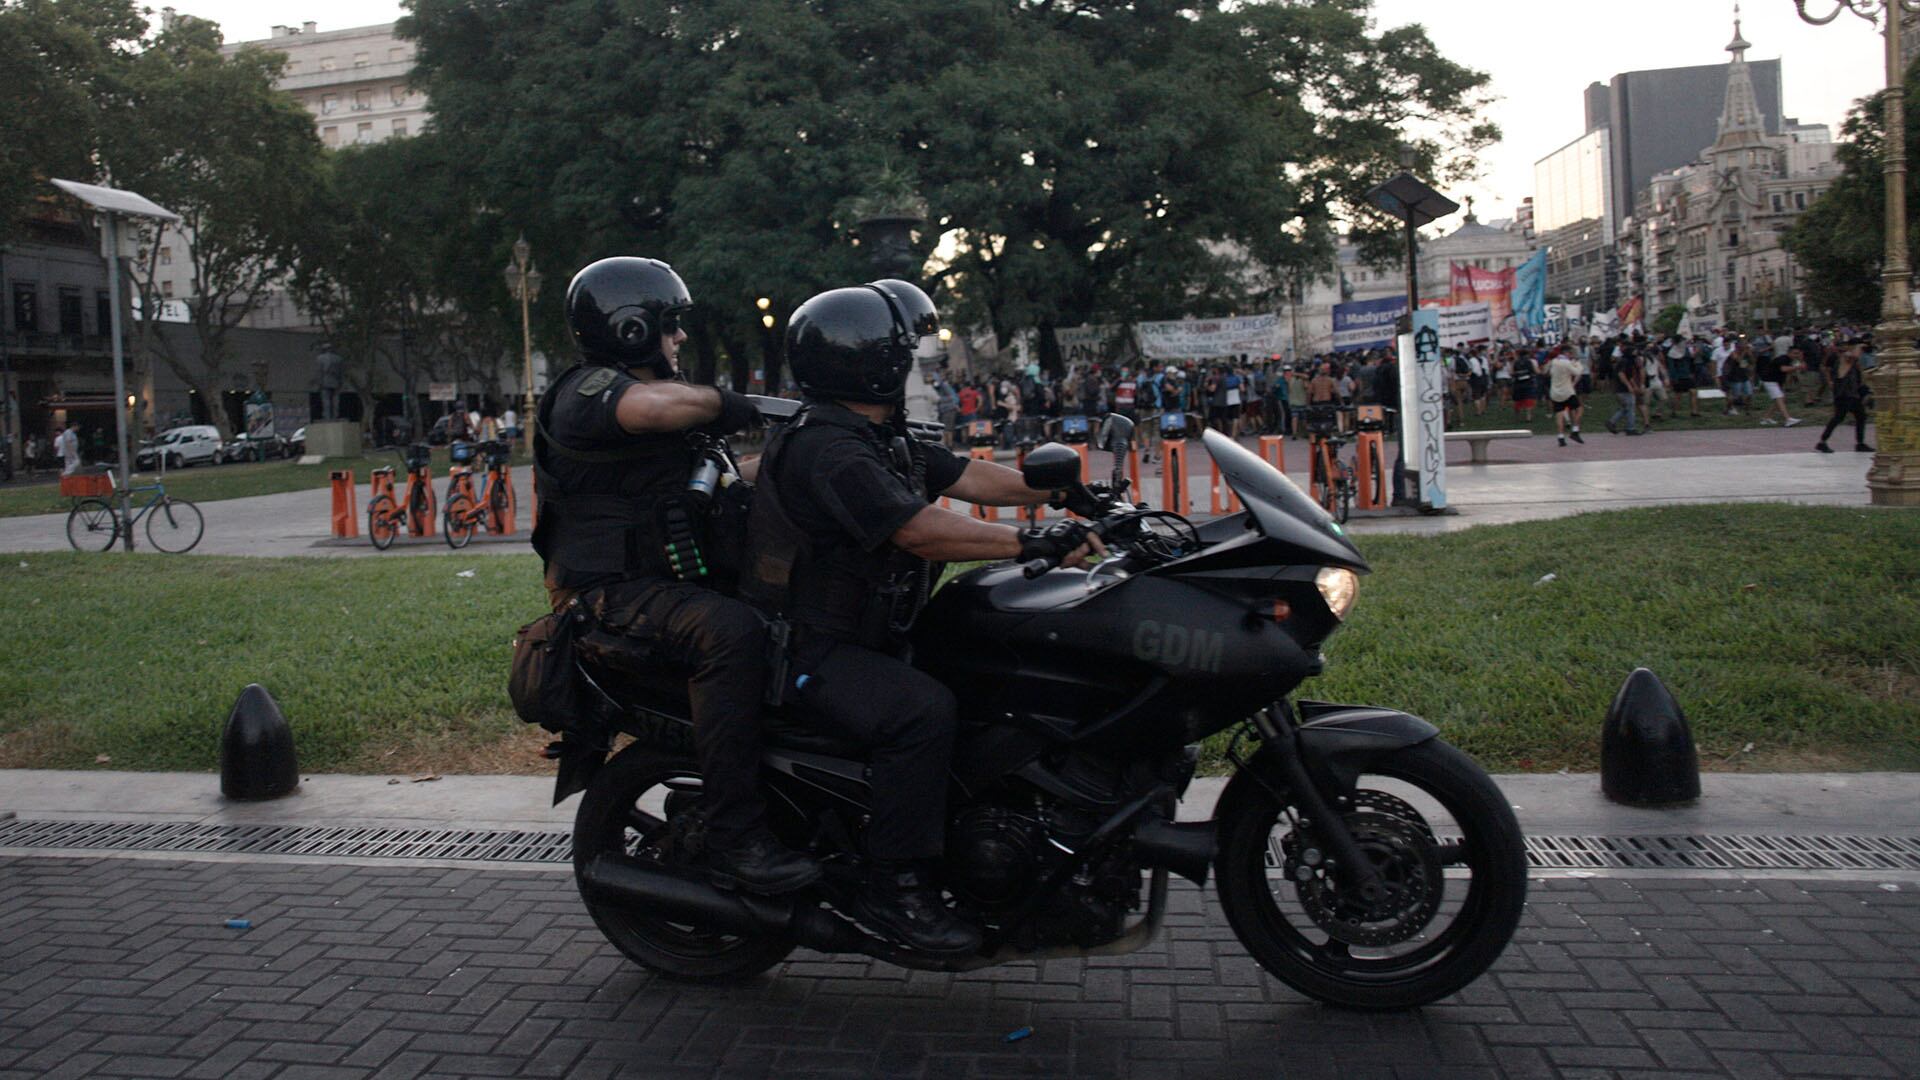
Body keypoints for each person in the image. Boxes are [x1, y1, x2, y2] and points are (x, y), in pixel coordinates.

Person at [742, 280, 1101, 956]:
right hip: (812, 651)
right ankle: (895, 890)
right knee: (921, 712)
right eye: (902, 350)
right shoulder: (829, 448)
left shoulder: (879, 436)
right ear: (869, 360)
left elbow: (966, 474)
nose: (912, 361)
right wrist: (1033, 541)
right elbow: (918, 531)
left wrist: (1073, 494)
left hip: (871, 638)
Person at [532, 255, 818, 896]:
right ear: (632, 328)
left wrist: (800, 460)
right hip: (610, 593)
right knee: (732, 632)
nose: (681, 338)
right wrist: (731, 403)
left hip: (666, 584)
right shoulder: (586, 396)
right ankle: (735, 834)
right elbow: (651, 409)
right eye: (670, 325)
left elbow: (718, 476)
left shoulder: (656, 405)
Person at [1815, 340, 1874, 454]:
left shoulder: (1853, 362)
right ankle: (1822, 442)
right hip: (1844, 395)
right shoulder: (1845, 357)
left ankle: (1860, 443)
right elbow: (1854, 356)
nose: (1861, 352)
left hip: (1852, 395)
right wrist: (1859, 346)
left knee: (1861, 416)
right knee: (1837, 418)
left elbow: (1861, 376)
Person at [1755, 343, 1803, 428]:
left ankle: (1766, 418)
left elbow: (1786, 373)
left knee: (1779, 400)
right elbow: (1783, 369)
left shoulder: (1788, 360)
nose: (1796, 355)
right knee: (1779, 399)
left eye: (1798, 353)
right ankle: (1788, 419)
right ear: (1789, 353)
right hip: (1769, 381)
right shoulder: (1783, 359)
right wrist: (1798, 367)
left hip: (1775, 382)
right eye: (1795, 353)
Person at [1545, 345, 1585, 447]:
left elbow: (1548, 372)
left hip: (1555, 392)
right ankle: (1575, 430)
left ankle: (1560, 437)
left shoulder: (1554, 361)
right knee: (1579, 409)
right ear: (1566, 352)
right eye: (1570, 353)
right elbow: (1576, 372)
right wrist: (1578, 364)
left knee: (1559, 415)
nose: (1571, 355)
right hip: (1567, 391)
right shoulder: (1566, 363)